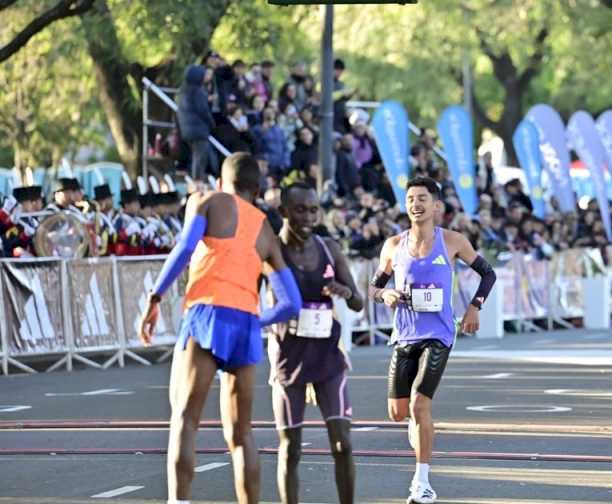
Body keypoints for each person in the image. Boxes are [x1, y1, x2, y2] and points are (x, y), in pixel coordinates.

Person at [137, 152, 303, 504]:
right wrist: (260, 319)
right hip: (244, 323)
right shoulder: (266, 230)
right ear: (257, 190)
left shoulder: (206, 201)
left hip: (206, 312)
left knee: (185, 417)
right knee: (242, 434)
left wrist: (155, 297)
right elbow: (292, 303)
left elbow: (184, 249)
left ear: (220, 181)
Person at [369, 176, 497, 504]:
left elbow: (488, 273)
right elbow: (371, 288)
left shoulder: (453, 241)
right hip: (405, 335)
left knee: (419, 404)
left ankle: (422, 482)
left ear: (436, 205)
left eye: (423, 198)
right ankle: (418, 426)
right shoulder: (393, 246)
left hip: (439, 334)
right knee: (398, 413)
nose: (416, 204)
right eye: (411, 198)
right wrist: (385, 294)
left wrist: (474, 307)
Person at [270, 182, 363, 504]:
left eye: (313, 210)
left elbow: (358, 302)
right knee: (291, 448)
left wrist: (345, 291)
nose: (308, 217)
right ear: (283, 212)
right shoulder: (271, 250)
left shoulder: (329, 249)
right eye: (300, 210)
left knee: (342, 443)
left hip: (327, 356)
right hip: (289, 356)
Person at [177, 65, 216, 178]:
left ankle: (195, 178)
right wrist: (211, 123)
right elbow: (203, 110)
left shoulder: (183, 91)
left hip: (187, 129)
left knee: (195, 156)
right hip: (199, 130)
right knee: (200, 157)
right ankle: (197, 181)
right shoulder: (198, 91)